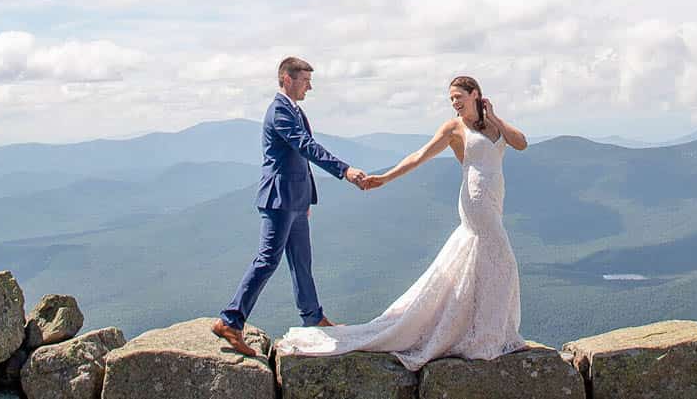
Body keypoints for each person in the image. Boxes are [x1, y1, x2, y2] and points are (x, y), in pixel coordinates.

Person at [275, 75, 528, 370]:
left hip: (495, 199)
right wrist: (385, 178)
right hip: (476, 201)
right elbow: (419, 156)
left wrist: (494, 115)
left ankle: (483, 330)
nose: (455, 103)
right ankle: (487, 334)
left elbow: (520, 143)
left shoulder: (494, 124)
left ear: (475, 94)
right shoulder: (454, 128)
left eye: (459, 97)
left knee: (484, 263)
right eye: (451, 99)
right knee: (503, 261)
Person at [212, 57, 370, 357]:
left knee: (302, 262)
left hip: (295, 200)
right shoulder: (279, 112)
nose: (310, 86)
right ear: (286, 78)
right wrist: (344, 170)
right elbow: (306, 147)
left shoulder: (294, 110)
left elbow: (297, 160)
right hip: (279, 199)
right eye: (305, 80)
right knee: (267, 260)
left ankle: (313, 317)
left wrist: (306, 198)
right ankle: (230, 321)